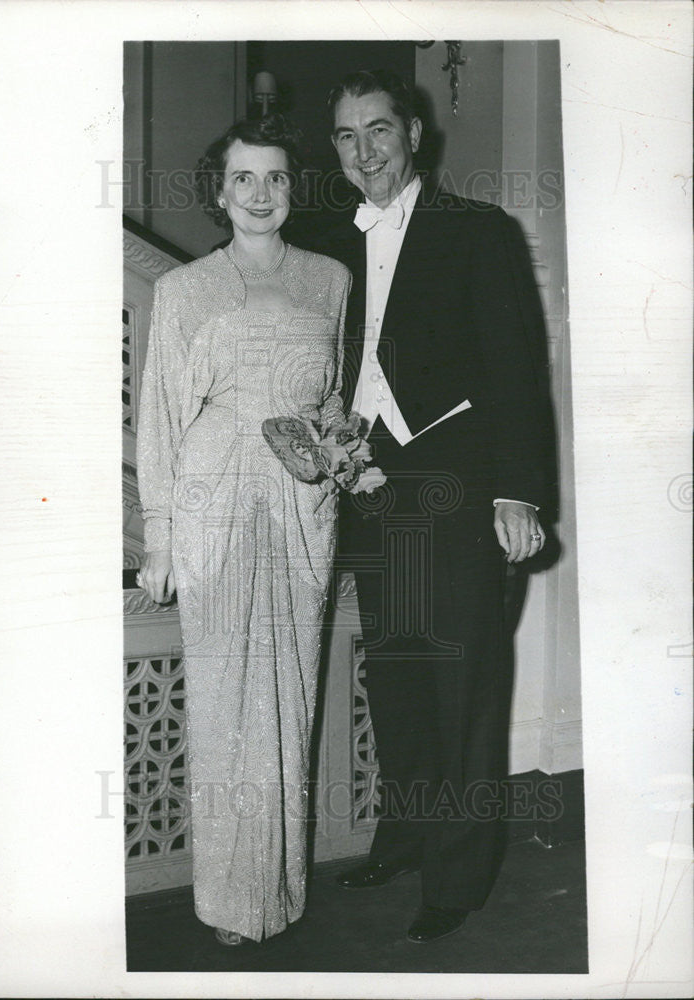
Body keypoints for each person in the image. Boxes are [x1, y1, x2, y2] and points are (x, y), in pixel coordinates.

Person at [319, 69, 555, 943]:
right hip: (371, 487)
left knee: (462, 684)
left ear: (413, 133)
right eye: (346, 137)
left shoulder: (475, 232)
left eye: (378, 130)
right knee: (398, 675)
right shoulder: (329, 243)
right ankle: (409, 834)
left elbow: (514, 370)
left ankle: (458, 875)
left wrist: (516, 490)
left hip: (460, 484)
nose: (365, 152)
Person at [135, 115, 351, 946]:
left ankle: (279, 890)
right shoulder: (183, 290)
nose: (261, 195)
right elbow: (158, 415)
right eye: (243, 180)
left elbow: (330, 398)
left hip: (301, 504)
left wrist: (338, 455)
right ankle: (230, 901)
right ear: (218, 192)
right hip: (213, 499)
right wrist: (159, 533)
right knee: (226, 698)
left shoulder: (330, 279)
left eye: (277, 179)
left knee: (292, 692)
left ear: (294, 188)